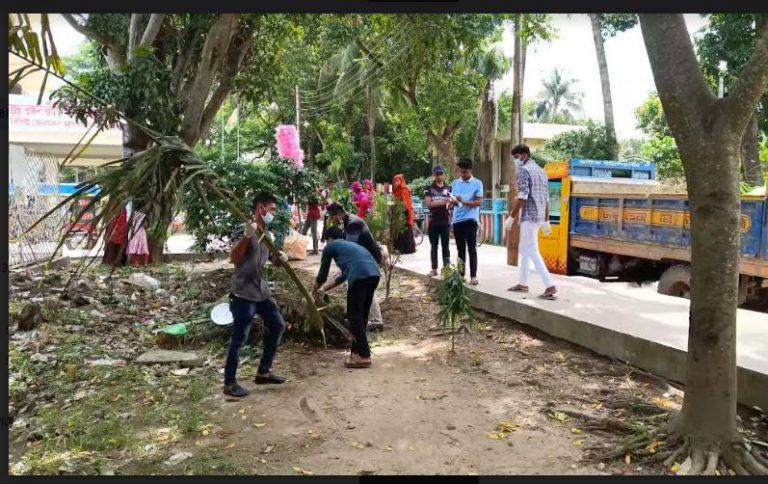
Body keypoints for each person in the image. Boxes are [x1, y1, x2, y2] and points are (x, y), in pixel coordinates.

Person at [224, 192, 289, 398]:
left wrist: (280, 259)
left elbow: (271, 259)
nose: (273, 214)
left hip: (261, 291)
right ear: (260, 208)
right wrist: (246, 236)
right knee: (240, 337)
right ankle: (230, 382)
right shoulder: (244, 229)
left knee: (278, 324)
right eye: (271, 209)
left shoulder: (266, 234)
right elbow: (233, 258)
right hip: (243, 292)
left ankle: (263, 371)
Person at [314, 227, 380, 368]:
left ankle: (364, 355)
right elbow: (343, 276)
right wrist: (324, 289)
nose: (326, 244)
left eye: (326, 241)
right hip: (374, 275)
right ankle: (356, 354)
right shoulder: (351, 247)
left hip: (359, 277)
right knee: (361, 316)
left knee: (353, 316)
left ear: (329, 238)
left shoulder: (331, 246)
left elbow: (322, 275)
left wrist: (313, 291)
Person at [507, 144, 557, 300]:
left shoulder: (524, 170)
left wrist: (512, 217)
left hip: (529, 215)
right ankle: (523, 283)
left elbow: (522, 196)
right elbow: (547, 198)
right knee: (524, 248)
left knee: (532, 250)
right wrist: (547, 219)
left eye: (516, 158)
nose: (515, 161)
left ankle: (549, 285)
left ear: (524, 155)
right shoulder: (541, 171)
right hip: (540, 215)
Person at [326, 202, 385, 332]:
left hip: (370, 260)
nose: (332, 220)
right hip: (363, 260)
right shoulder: (347, 223)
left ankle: (377, 321)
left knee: (365, 286)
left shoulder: (353, 224)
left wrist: (329, 284)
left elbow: (349, 249)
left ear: (339, 214)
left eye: (333, 217)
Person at [449, 158, 483, 285]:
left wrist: (462, 201)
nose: (462, 175)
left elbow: (478, 202)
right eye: (461, 172)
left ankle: (473, 276)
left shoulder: (478, 183)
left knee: (472, 248)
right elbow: (452, 201)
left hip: (471, 220)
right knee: (460, 249)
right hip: (457, 220)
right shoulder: (455, 183)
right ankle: (460, 275)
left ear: (470, 170)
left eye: (465, 172)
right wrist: (452, 203)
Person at [424, 165, 452, 276]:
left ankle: (446, 269)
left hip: (445, 221)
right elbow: (429, 203)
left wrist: (448, 203)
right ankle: (434, 269)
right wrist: (444, 202)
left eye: (441, 174)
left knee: (446, 246)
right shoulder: (428, 188)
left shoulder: (449, 188)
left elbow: (451, 202)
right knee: (434, 246)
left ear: (444, 175)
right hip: (433, 221)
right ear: (433, 175)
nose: (439, 176)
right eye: (437, 174)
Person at [392, 174, 416, 255]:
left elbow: (407, 204)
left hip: (405, 213)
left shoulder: (404, 190)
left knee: (405, 231)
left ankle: (406, 249)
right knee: (400, 231)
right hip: (399, 212)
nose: (396, 183)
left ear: (401, 181)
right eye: (395, 181)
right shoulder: (396, 190)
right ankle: (400, 248)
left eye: (398, 181)